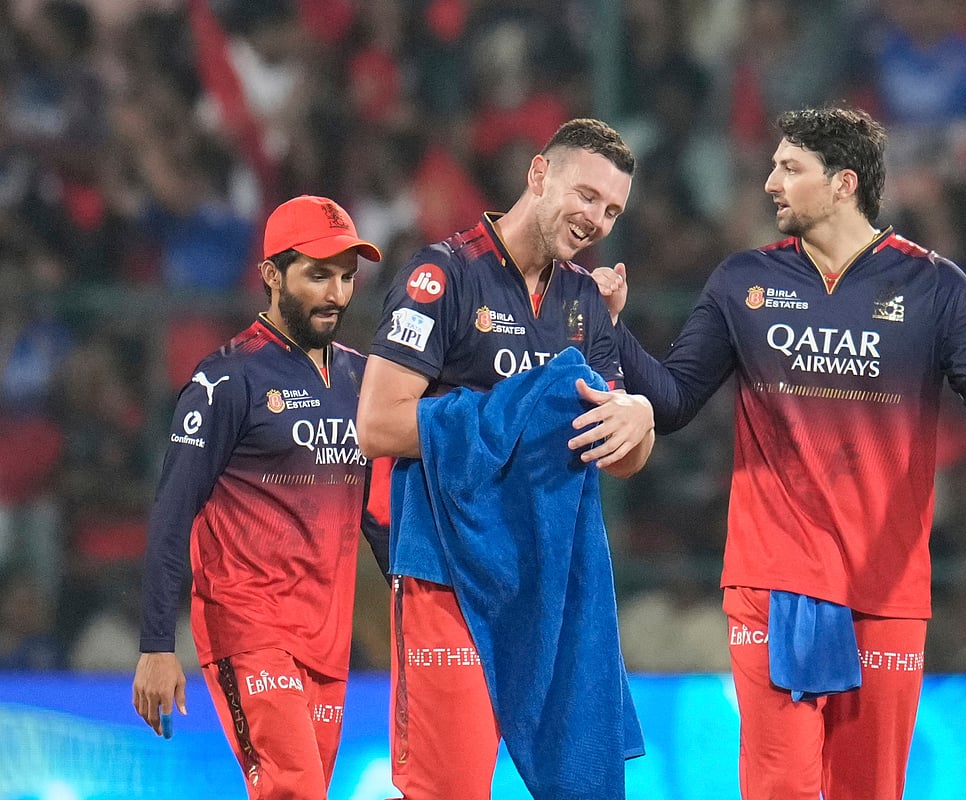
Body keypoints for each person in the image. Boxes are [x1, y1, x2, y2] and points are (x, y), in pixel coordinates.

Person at [591, 106, 966, 800]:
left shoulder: (933, 287)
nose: (770, 181)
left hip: (883, 587)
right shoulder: (742, 283)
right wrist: (615, 329)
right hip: (771, 581)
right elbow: (677, 398)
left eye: (789, 168)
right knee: (781, 788)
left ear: (843, 184)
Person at [356, 118, 655, 800]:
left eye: (612, 211)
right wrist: (521, 406)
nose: (596, 220)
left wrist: (636, 422)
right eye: (586, 195)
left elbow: (621, 456)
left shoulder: (583, 300)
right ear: (539, 174)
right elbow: (375, 424)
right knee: (448, 788)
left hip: (549, 581)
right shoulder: (443, 275)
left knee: (583, 783)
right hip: (445, 573)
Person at [132, 195, 390, 800]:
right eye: (318, 274)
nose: (336, 294)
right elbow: (174, 510)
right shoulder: (226, 380)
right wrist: (154, 646)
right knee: (293, 788)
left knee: (300, 791)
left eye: (347, 277)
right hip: (247, 629)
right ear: (272, 275)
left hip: (327, 638)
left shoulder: (363, 379)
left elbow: (379, 517)